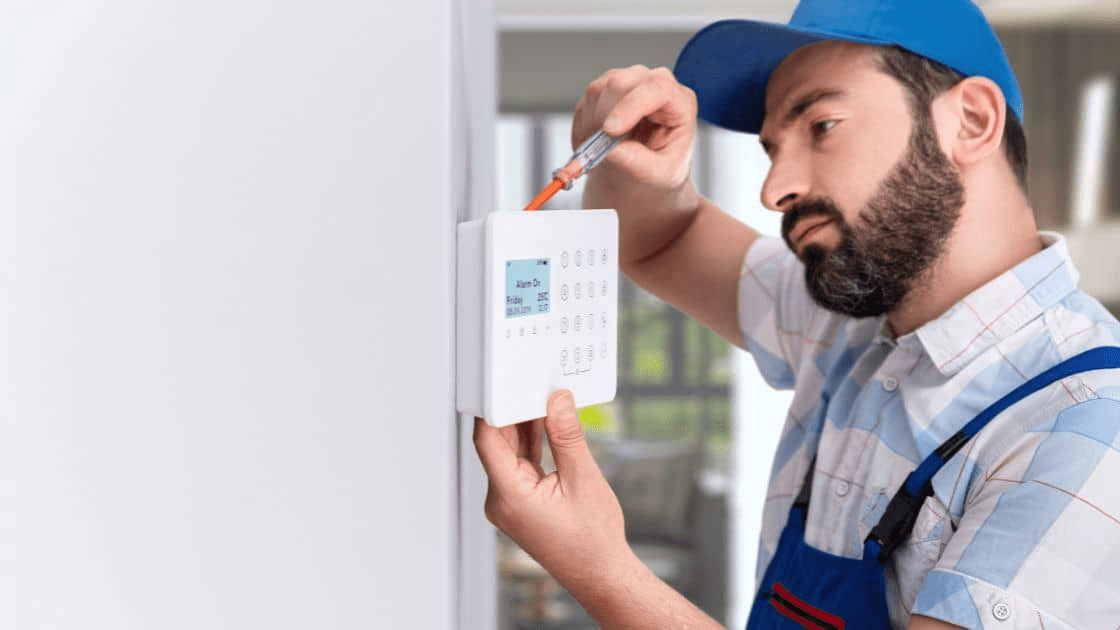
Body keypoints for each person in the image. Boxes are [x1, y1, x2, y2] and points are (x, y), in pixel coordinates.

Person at [473, 0, 1120, 627]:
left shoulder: (1087, 433)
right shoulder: (853, 324)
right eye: (771, 147)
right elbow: (659, 240)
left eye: (821, 127)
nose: (774, 187)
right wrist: (634, 156)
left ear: (972, 121)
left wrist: (598, 568)